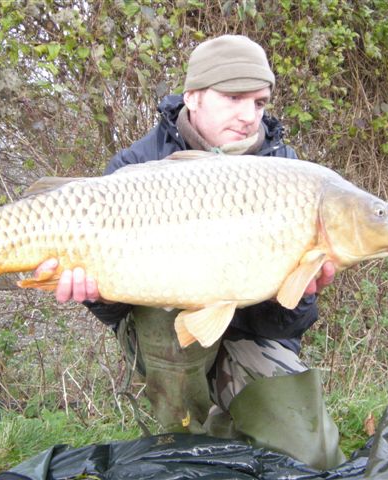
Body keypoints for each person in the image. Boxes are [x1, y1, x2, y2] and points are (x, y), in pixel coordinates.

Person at [35, 35, 344, 469]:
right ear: (194, 96)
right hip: (166, 334)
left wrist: (299, 292)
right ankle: (182, 441)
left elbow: (283, 326)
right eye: (234, 98)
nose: (248, 116)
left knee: (312, 457)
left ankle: (231, 420)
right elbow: (122, 311)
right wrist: (96, 293)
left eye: (259, 102)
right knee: (166, 328)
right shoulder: (135, 166)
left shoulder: (287, 172)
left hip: (246, 331)